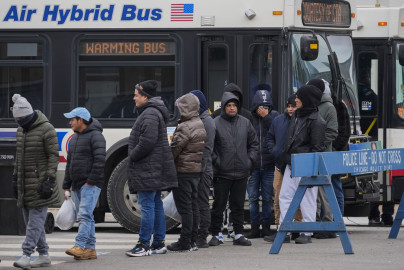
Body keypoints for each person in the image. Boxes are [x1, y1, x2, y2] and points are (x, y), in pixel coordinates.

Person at [125, 80, 177, 257]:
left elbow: (147, 141)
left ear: (145, 97)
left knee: (147, 206)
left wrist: (132, 155)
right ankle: (158, 243)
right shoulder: (153, 112)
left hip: (148, 168)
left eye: (136, 95)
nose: (134, 98)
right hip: (153, 167)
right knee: (155, 206)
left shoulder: (149, 114)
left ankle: (143, 245)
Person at [11, 94, 60, 269]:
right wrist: (15, 178)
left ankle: (26, 254)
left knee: (34, 222)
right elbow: (18, 157)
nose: (19, 122)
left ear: (29, 114)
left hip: (41, 185)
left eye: (21, 118)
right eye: (17, 119)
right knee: (32, 222)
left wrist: (49, 180)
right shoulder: (20, 130)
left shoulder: (47, 129)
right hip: (25, 185)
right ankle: (44, 255)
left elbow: (54, 156)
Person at [208, 92, 259, 247]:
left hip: (241, 172)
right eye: (229, 105)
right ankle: (216, 234)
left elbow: (254, 144)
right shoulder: (215, 123)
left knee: (238, 205)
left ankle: (238, 234)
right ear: (224, 107)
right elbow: (209, 147)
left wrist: (248, 161)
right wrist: (218, 162)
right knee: (219, 205)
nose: (232, 108)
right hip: (222, 173)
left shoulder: (245, 122)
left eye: (234, 105)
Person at [278, 85, 326, 244]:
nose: (295, 99)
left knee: (308, 200)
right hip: (292, 164)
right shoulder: (297, 115)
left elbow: (317, 148)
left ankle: (307, 232)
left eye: (298, 97)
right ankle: (284, 230)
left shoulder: (318, 121)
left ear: (306, 99)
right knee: (284, 196)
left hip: (306, 166)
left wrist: (312, 171)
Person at [62, 107, 106, 260]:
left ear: (80, 120)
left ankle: (79, 246)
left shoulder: (96, 136)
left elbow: (100, 162)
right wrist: (66, 185)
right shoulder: (74, 138)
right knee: (88, 217)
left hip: (90, 184)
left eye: (72, 119)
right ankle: (90, 249)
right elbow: (70, 164)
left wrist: (90, 182)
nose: (70, 122)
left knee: (84, 215)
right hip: (77, 184)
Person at [168, 93, 207, 252]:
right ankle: (192, 240)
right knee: (192, 206)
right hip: (195, 171)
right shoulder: (199, 123)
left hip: (183, 171)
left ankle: (184, 241)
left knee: (184, 208)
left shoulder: (185, 127)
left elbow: (175, 149)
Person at [264, 94, 302, 243]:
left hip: (295, 166)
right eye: (289, 106)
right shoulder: (278, 121)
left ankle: (298, 229)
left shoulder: (301, 121)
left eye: (294, 106)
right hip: (280, 165)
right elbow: (269, 138)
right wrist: (274, 150)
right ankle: (281, 229)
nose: (291, 109)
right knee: (278, 198)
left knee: (297, 198)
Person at [307, 79, 338, 239]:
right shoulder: (312, 105)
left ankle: (328, 224)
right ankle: (316, 224)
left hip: (324, 155)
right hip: (313, 155)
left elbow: (333, 132)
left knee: (325, 192)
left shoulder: (329, 107)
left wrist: (317, 143)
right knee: (314, 192)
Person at [246, 89, 279, 239]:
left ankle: (266, 227)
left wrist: (266, 117)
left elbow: (278, 132)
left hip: (269, 164)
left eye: (266, 107)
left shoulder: (274, 117)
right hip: (253, 166)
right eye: (260, 107)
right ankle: (254, 227)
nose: (263, 110)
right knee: (253, 199)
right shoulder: (249, 118)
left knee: (267, 198)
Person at [189, 90, 216, 249]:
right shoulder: (203, 119)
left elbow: (205, 150)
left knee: (202, 202)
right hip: (201, 167)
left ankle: (202, 235)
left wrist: (198, 169)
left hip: (202, 169)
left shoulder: (206, 122)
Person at [331, 89, 351, 217]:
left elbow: (344, 133)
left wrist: (333, 148)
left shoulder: (339, 107)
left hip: (336, 153)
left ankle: (338, 221)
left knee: (336, 187)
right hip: (335, 152)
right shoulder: (339, 105)